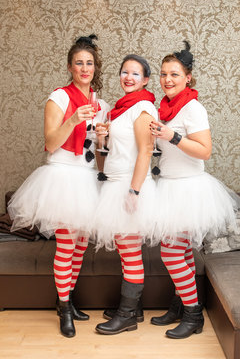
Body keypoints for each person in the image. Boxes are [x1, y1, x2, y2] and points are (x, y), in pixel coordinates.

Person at [7, 35, 110, 338]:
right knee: (66, 244)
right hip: (62, 176)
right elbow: (51, 143)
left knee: (79, 246)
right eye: (78, 63)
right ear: (70, 66)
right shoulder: (59, 98)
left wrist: (104, 138)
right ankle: (64, 308)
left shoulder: (101, 104)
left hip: (87, 176)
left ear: (95, 67)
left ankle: (65, 299)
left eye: (89, 63)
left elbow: (100, 153)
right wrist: (73, 119)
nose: (84, 68)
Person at [150, 41, 240, 339]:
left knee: (170, 252)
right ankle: (181, 304)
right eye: (164, 74)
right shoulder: (164, 107)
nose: (167, 79)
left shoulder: (193, 107)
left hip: (189, 190)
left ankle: (193, 315)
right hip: (168, 185)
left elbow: (204, 151)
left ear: (187, 77)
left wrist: (172, 136)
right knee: (185, 252)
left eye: (174, 74)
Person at [94, 54, 158, 335]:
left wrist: (134, 191)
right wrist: (102, 139)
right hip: (115, 181)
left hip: (129, 185)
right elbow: (117, 150)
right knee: (126, 248)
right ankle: (134, 307)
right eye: (124, 72)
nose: (128, 78)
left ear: (145, 80)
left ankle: (127, 315)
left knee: (130, 251)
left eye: (135, 73)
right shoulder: (121, 109)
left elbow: (145, 152)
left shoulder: (143, 107)